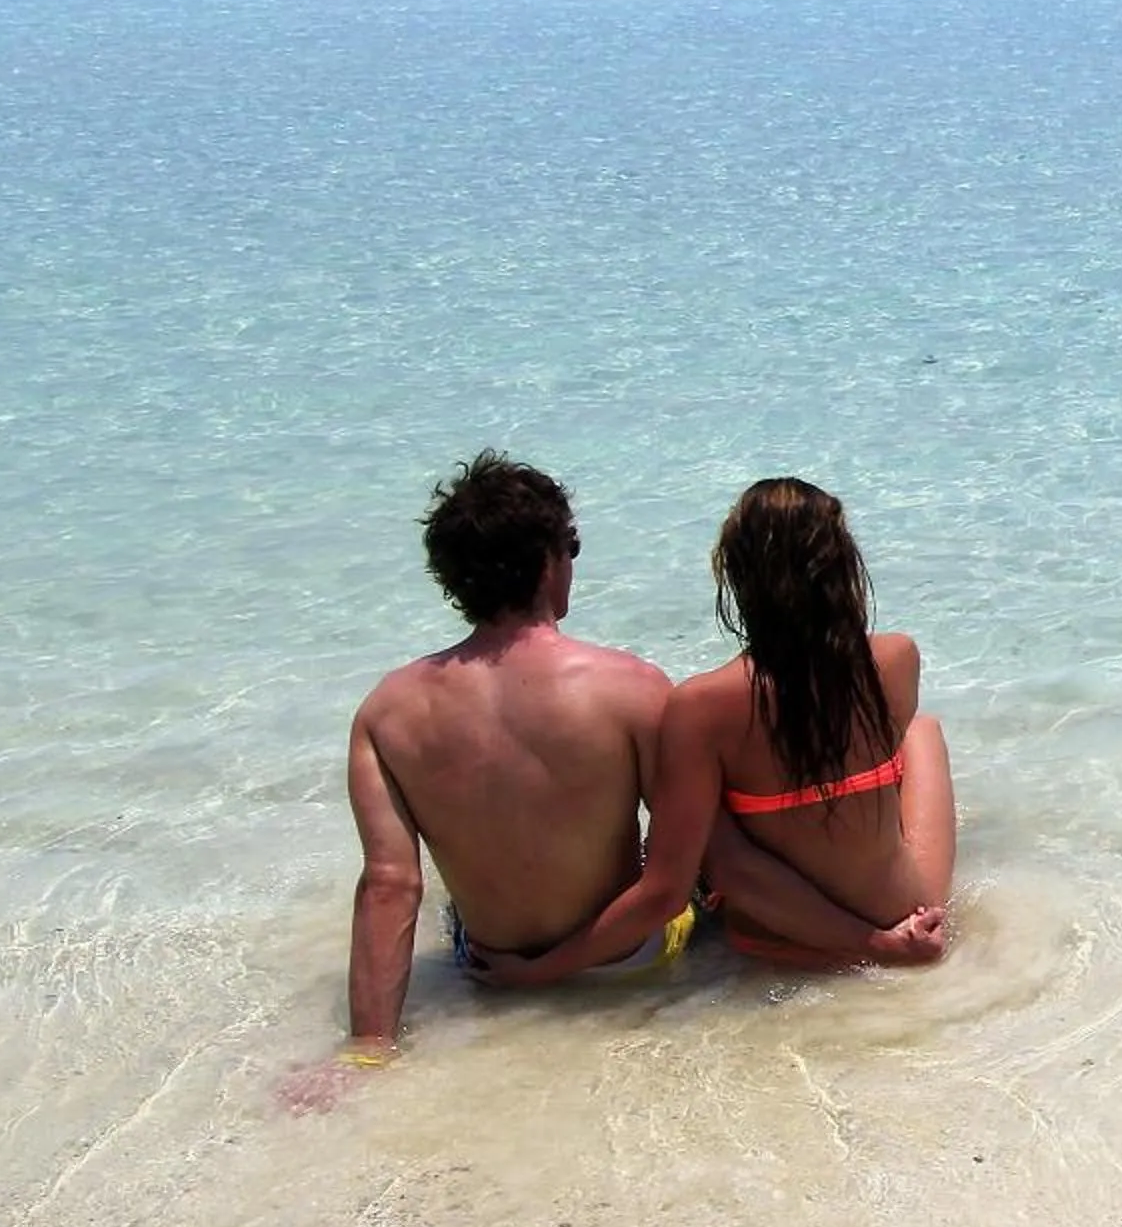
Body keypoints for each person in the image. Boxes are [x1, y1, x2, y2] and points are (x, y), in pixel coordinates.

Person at [326, 456, 936, 1081]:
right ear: (548, 561)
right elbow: (707, 866)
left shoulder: (385, 712)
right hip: (632, 959)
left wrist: (369, 1046)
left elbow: (389, 886)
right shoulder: (632, 689)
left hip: (486, 967)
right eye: (573, 547)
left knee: (447, 910)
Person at [475, 477, 954, 985]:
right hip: (912, 914)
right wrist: (891, 937)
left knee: (707, 833)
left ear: (736, 576)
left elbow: (666, 892)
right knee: (918, 732)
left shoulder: (703, 707)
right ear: (844, 566)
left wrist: (538, 970)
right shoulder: (897, 657)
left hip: (786, 944)